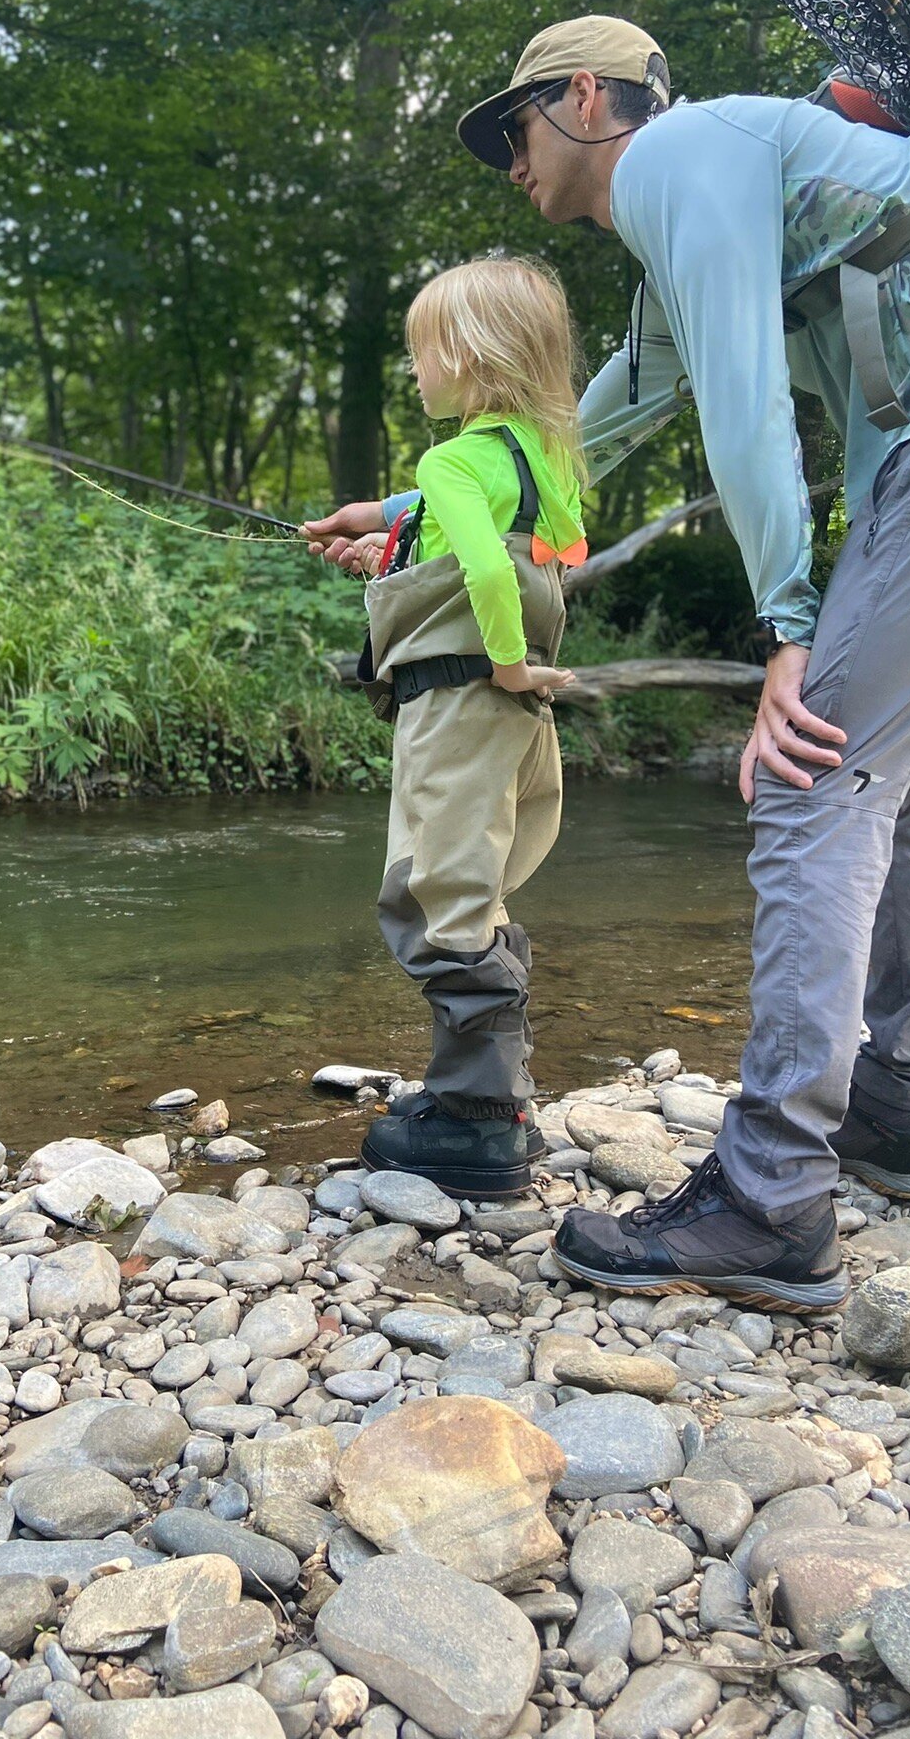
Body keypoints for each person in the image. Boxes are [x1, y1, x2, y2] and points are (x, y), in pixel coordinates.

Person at [305, 15, 910, 1311]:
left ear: (583, 97)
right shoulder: (702, 202)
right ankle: (893, 1118)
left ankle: (770, 1197)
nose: (504, 161)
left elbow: (743, 394)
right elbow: (595, 424)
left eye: (508, 129)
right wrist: (407, 512)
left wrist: (791, 624)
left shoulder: (679, 156)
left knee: (811, 778)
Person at [347, 256, 586, 1198]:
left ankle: (478, 1127)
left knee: (433, 893)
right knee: (481, 891)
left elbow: (488, 577)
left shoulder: (447, 461)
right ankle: (488, 1093)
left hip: (460, 701)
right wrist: (391, 527)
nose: (416, 373)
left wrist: (505, 657)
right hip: (519, 722)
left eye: (423, 354)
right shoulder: (546, 458)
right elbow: (539, 551)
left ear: (474, 356)